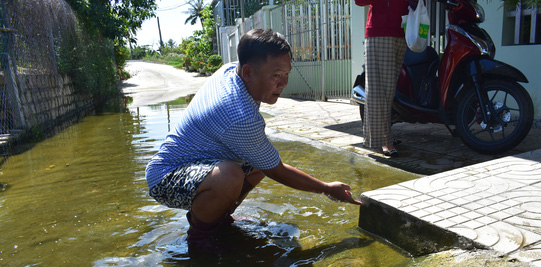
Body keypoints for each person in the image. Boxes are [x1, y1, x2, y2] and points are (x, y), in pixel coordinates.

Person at [145, 29, 361, 250]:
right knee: (231, 175)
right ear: (248, 72)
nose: (284, 83)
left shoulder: (231, 70)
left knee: (258, 163)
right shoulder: (239, 115)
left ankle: (220, 217)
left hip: (199, 162)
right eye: (276, 75)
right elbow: (278, 171)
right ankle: (198, 237)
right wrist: (326, 188)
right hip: (166, 177)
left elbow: (268, 164)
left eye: (287, 74)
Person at [355, 0, 410, 157]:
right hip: (379, 33)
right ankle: (385, 141)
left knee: (390, 90)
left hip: (403, 31)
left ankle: (382, 137)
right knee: (380, 91)